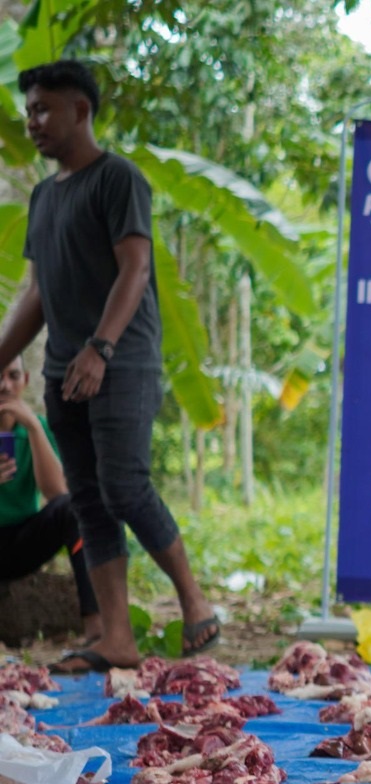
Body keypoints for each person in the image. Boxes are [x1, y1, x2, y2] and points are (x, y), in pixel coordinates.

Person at [1, 59, 218, 673]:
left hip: (120, 360)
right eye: (29, 110)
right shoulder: (43, 197)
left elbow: (136, 270)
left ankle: (195, 604)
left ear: (80, 110)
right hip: (64, 368)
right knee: (90, 501)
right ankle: (116, 638)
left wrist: (101, 348)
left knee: (125, 484)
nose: (33, 121)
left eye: (44, 108)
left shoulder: (118, 178)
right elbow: (37, 295)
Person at [0, 351, 100, 635]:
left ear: (25, 381)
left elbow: (58, 493)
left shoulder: (38, 428)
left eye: (13, 376)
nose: (4, 385)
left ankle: (96, 625)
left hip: (22, 541)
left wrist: (32, 427)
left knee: (74, 509)